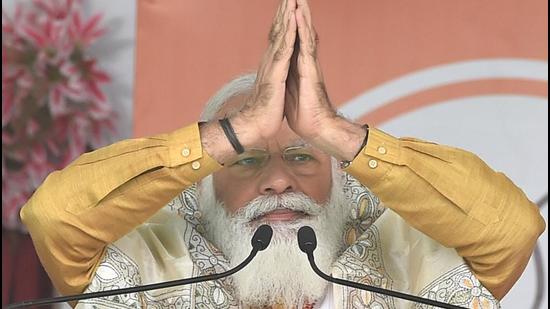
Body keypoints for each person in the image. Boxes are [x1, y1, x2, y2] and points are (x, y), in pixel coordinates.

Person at [21, 0, 545, 308]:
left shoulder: (404, 255)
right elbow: (52, 217)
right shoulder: (151, 260)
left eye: (302, 156)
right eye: (246, 158)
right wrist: (238, 127)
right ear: (204, 183)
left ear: (341, 180)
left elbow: (510, 231)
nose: (278, 181)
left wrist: (334, 130)